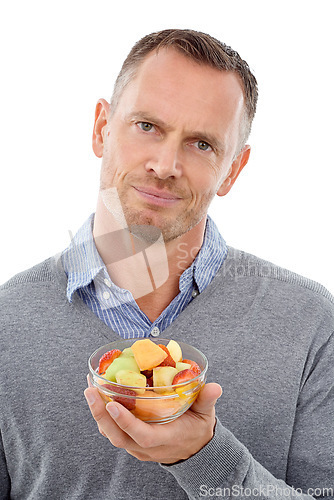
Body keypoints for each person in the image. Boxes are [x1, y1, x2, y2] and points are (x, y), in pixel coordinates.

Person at [0, 28, 333, 500]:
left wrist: (206, 457)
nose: (165, 163)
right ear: (101, 128)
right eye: (147, 126)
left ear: (233, 170)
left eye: (201, 144)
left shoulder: (309, 319)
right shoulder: (7, 321)